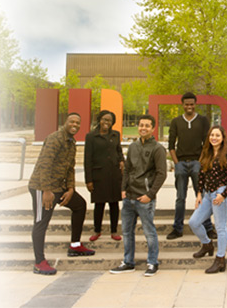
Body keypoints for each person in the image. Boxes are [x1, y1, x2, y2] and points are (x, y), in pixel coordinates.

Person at [29, 113, 95, 275]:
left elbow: (70, 168)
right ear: (65, 122)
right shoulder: (55, 138)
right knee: (41, 222)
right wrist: (46, 191)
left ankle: (74, 246)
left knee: (80, 205)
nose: (75, 125)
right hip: (42, 187)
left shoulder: (71, 142)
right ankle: (39, 262)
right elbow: (45, 165)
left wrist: (71, 189)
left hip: (60, 187)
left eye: (78, 123)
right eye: (72, 121)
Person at [109, 114, 166, 277]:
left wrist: (150, 194)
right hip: (129, 197)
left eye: (147, 126)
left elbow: (161, 174)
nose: (143, 128)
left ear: (153, 128)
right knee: (127, 232)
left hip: (144, 198)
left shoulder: (157, 149)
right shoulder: (133, 146)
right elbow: (127, 169)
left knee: (149, 231)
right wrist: (123, 189)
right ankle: (128, 262)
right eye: (141, 125)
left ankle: (153, 262)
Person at [167, 92, 216, 240]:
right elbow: (171, 145)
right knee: (180, 198)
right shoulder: (176, 121)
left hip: (197, 163)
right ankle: (177, 228)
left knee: (202, 196)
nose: (189, 106)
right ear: (182, 105)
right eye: (186, 104)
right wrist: (176, 163)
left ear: (195, 104)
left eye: (192, 104)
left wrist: (202, 162)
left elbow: (207, 144)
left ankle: (208, 228)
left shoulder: (202, 120)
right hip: (181, 163)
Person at [189, 125, 227, 274]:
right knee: (194, 222)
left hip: (222, 193)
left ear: (223, 139)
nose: (214, 138)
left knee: (220, 227)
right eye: (212, 135)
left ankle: (220, 259)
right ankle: (207, 245)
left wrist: (223, 195)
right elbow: (201, 176)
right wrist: (198, 194)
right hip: (208, 194)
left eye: (217, 135)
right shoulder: (206, 154)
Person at [84, 110, 125, 242]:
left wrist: (122, 161)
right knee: (99, 205)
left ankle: (114, 231)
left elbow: (118, 150)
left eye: (109, 120)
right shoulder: (91, 137)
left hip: (114, 174)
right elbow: (87, 159)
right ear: (99, 120)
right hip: (99, 175)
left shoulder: (115, 134)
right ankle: (97, 230)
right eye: (104, 119)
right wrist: (88, 180)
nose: (106, 122)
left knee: (114, 204)